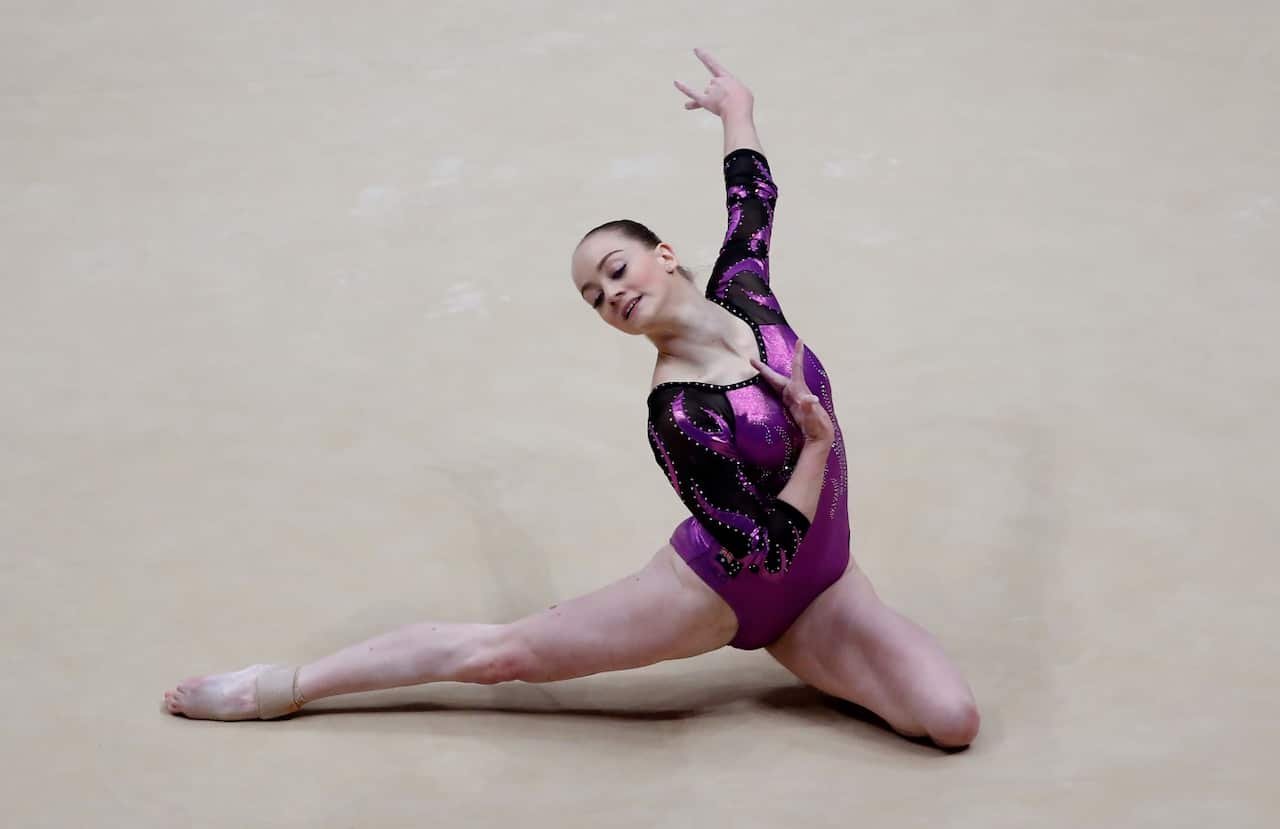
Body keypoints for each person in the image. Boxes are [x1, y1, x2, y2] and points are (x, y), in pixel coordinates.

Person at [163, 49, 980, 749]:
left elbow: (752, 198)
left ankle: (824, 657)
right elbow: (761, 549)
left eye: (617, 271)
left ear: (663, 255)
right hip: (718, 594)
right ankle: (290, 682)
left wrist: (737, 109)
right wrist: (815, 446)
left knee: (952, 721)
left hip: (828, 590)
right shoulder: (679, 412)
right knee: (503, 655)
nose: (609, 296)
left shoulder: (746, 293)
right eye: (593, 297)